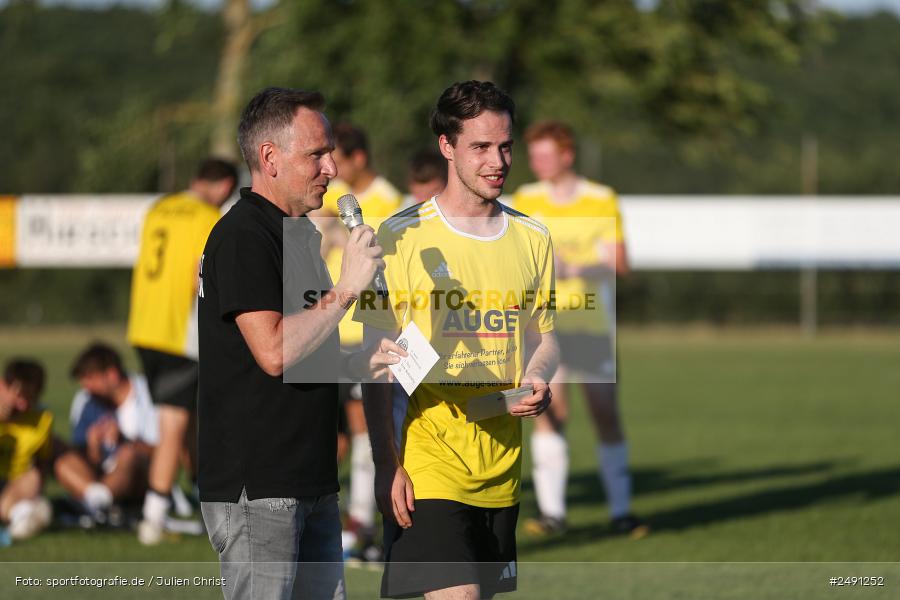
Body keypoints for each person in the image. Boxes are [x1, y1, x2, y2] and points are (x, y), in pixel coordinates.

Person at [197, 86, 405, 600]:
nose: (332, 167)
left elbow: (306, 350)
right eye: (316, 154)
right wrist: (348, 287)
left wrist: (359, 361)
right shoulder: (246, 234)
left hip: (310, 478)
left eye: (330, 152)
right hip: (260, 484)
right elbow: (274, 352)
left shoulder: (297, 232)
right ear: (270, 158)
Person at [356, 80, 559, 599]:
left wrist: (536, 376)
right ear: (446, 147)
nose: (498, 160)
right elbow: (372, 363)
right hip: (428, 464)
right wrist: (387, 464)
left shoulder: (533, 239)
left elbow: (547, 337)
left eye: (505, 145)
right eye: (481, 147)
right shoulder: (398, 239)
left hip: (502, 470)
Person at [512, 120, 648, 538]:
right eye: (533, 155)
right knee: (550, 412)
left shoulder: (600, 199)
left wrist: (574, 267)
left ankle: (621, 512)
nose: (537, 162)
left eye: (545, 154)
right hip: (544, 326)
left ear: (567, 156)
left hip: (589, 325)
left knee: (604, 412)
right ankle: (553, 513)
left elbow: (619, 263)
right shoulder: (526, 199)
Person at [127, 157, 238, 545]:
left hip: (143, 326)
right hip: (178, 331)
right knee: (173, 422)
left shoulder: (158, 207)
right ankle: (153, 516)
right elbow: (199, 275)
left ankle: (201, 495)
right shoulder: (206, 216)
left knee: (189, 415)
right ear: (224, 186)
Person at [314, 122, 404, 560]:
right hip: (331, 324)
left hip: (364, 325)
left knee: (368, 427)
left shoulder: (386, 200)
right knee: (341, 432)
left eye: (340, 158)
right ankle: (349, 518)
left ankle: (363, 522)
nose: (332, 169)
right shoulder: (339, 196)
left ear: (360, 157)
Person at [54, 343, 158, 523]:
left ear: (111, 375)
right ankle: (99, 502)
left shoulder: (148, 394)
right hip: (97, 477)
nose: (85, 386)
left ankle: (92, 506)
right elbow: (82, 459)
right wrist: (93, 446)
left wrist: (123, 439)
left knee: (127, 455)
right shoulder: (84, 400)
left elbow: (163, 451)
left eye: (90, 378)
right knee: (61, 458)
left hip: (140, 478)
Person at [0, 359, 53, 541]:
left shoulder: (42, 420)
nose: (22, 405)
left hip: (13, 484)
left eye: (29, 399)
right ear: (2, 386)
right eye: (19, 396)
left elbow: (42, 463)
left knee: (34, 477)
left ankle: (21, 514)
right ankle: (25, 515)